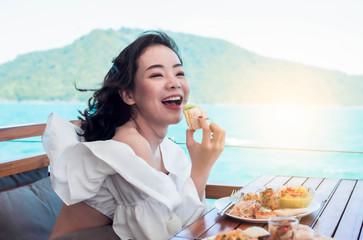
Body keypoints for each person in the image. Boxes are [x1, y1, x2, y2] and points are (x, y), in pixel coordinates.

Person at [42, 31, 225, 240]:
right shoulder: (130, 144)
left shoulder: (166, 148)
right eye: (157, 74)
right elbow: (159, 234)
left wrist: (201, 165)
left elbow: (182, 221)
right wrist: (201, 167)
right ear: (128, 94)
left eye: (179, 73)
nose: (174, 82)